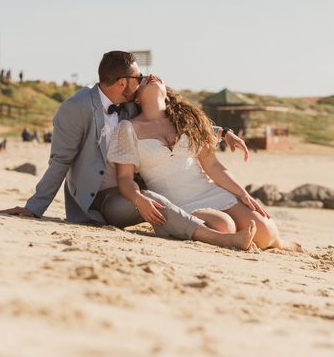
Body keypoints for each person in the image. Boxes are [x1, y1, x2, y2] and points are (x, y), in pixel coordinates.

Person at [0, 51, 255, 250]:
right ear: (123, 82)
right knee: (150, 198)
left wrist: (222, 132)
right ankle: (221, 239)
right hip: (99, 199)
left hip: (133, 190)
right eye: (138, 78)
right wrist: (34, 208)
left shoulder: (131, 105)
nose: (142, 81)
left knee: (149, 196)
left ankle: (207, 230)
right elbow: (60, 160)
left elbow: (171, 120)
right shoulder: (76, 108)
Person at [108, 74, 301, 251]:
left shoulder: (188, 121)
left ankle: (281, 243)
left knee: (265, 230)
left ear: (167, 95)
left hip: (209, 191)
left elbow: (212, 166)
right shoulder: (128, 129)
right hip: (178, 203)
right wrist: (138, 198)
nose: (150, 77)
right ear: (136, 98)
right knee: (224, 226)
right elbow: (125, 178)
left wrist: (242, 193)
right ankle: (229, 238)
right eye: (142, 80)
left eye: (157, 77)